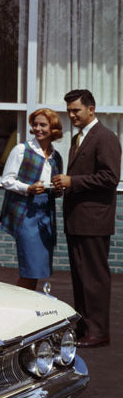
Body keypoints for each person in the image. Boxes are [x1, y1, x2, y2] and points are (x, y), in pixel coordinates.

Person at [51, 89, 121, 348]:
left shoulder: (105, 137)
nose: (71, 115)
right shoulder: (79, 138)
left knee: (94, 278)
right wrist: (65, 186)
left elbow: (110, 177)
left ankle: (99, 332)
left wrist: (73, 181)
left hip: (94, 221)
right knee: (80, 277)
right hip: (78, 219)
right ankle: (85, 327)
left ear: (91, 109)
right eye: (69, 111)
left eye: (76, 110)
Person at [0, 108, 64, 290]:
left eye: (43, 125)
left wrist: (58, 190)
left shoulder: (56, 156)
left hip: (46, 214)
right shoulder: (21, 150)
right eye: (35, 125)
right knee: (30, 269)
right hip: (26, 214)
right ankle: (19, 306)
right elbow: (6, 180)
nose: (38, 128)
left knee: (39, 269)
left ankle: (28, 304)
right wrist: (28, 188)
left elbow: (56, 188)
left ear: (53, 128)